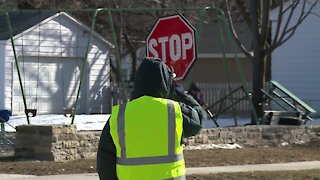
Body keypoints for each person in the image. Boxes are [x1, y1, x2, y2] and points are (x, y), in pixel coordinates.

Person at [97, 58, 207, 180]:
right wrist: (178, 93)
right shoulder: (173, 111)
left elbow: (105, 163)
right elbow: (199, 117)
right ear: (165, 85)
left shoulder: (119, 116)